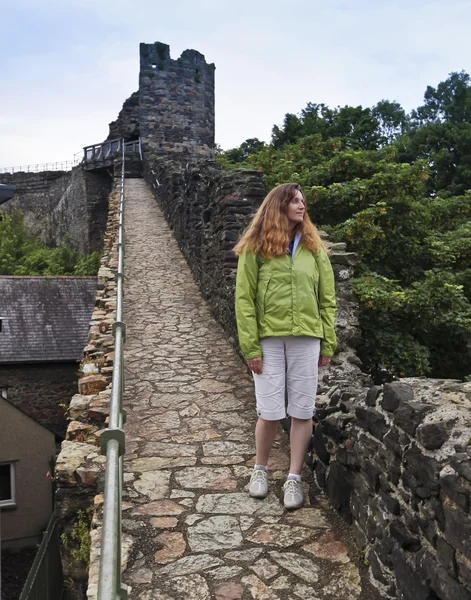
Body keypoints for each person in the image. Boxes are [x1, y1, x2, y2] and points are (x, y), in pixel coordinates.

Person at [234, 182, 337, 509]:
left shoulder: (314, 247)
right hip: (267, 339)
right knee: (269, 410)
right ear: (279, 205)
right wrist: (250, 346)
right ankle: (260, 469)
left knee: (302, 410)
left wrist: (328, 342)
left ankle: (294, 477)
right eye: (294, 201)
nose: (301, 206)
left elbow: (328, 297)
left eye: (303, 201)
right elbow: (244, 299)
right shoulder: (256, 246)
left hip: (307, 337)